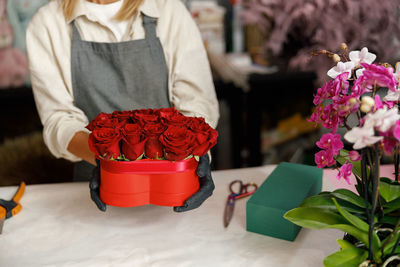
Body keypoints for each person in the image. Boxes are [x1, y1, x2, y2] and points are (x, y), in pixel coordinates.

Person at [26, 0, 219, 212]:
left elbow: (197, 103)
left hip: (173, 188)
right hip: (99, 189)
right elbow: (59, 120)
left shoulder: (167, 10)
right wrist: (108, 163)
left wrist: (194, 157)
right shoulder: (47, 23)